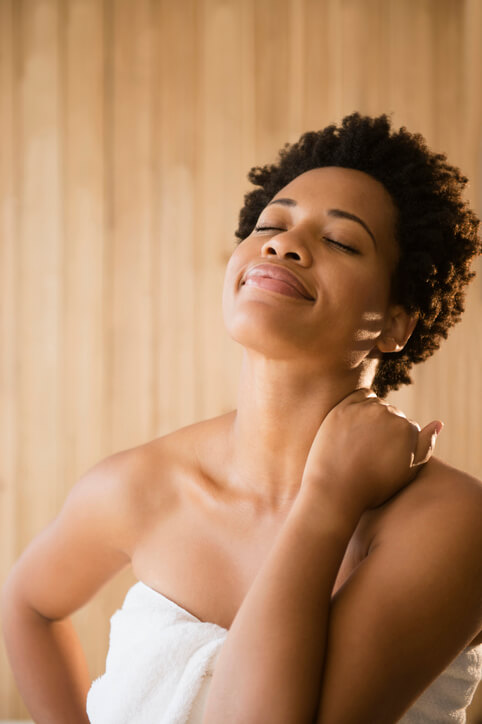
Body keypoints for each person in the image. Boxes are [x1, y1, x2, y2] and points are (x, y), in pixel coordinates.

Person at [2, 113, 482, 724]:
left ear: (395, 323)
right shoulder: (143, 485)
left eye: (339, 240)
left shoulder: (454, 525)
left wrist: (328, 502)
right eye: (270, 225)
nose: (282, 243)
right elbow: (27, 605)